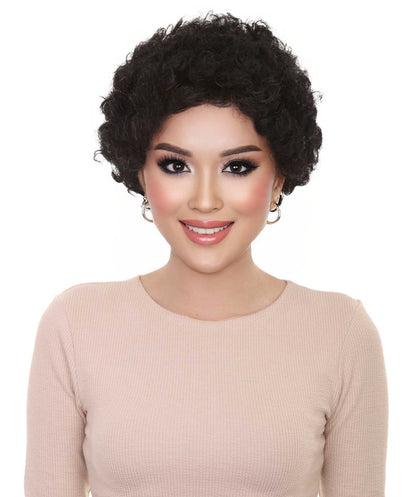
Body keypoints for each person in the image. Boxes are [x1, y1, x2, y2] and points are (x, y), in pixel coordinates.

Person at [24, 12, 389, 497]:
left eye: (237, 167)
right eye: (176, 165)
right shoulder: (75, 326)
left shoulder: (341, 334)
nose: (204, 200)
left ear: (278, 179)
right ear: (141, 174)